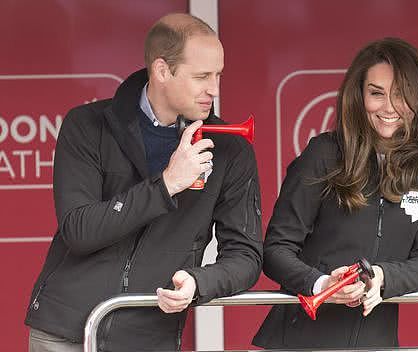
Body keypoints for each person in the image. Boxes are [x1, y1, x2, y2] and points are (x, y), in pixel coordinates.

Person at [25, 13, 262, 352]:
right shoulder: (87, 125)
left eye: (218, 75)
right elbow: (78, 230)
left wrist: (199, 282)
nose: (215, 89)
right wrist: (166, 185)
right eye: (202, 76)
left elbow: (246, 255)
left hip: (149, 337)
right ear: (162, 70)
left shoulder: (231, 149)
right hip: (63, 333)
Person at [253, 37, 418, 349]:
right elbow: (276, 250)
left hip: (376, 343)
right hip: (298, 341)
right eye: (376, 94)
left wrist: (384, 276)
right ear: (358, 96)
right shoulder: (324, 155)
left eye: (401, 95)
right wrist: (322, 284)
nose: (389, 108)